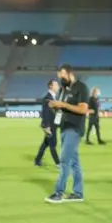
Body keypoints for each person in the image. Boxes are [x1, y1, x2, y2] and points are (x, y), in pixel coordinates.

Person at [45, 65, 90, 203]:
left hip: (74, 128)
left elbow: (83, 109)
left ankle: (59, 192)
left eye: (63, 77)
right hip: (64, 128)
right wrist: (55, 106)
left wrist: (63, 105)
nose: (61, 80)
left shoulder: (80, 87)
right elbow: (61, 111)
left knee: (64, 160)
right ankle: (78, 193)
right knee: (74, 162)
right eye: (59, 78)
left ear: (70, 74)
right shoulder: (63, 90)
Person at [35, 79, 61, 168]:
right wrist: (47, 126)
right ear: (50, 86)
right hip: (49, 126)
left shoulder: (54, 98)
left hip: (53, 125)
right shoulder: (47, 98)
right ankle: (58, 163)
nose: (58, 86)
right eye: (56, 85)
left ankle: (37, 161)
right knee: (53, 143)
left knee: (46, 143)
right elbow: (45, 113)